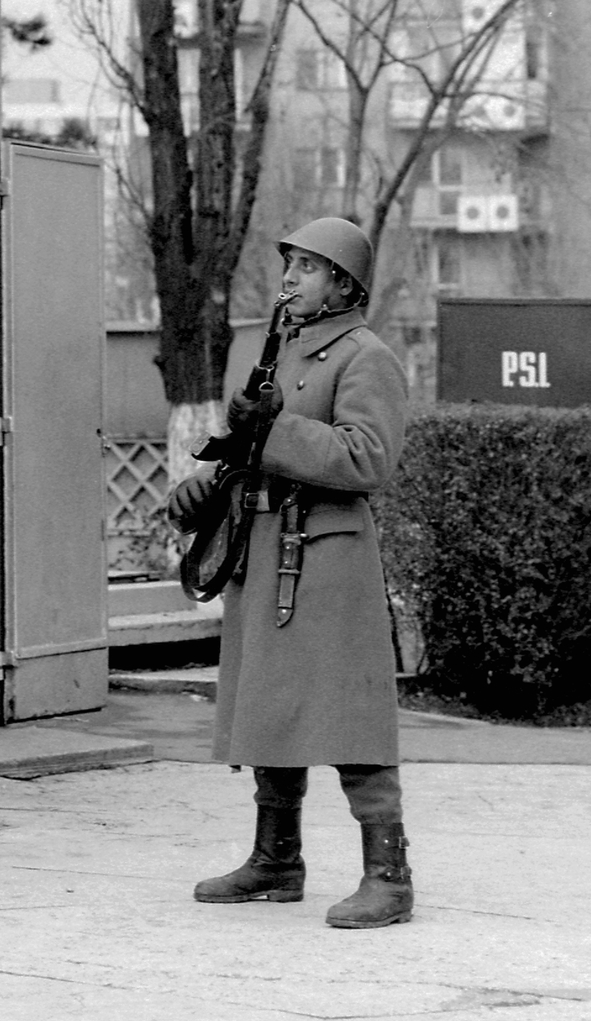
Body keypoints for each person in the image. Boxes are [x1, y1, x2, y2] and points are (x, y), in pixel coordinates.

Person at [167, 217, 413, 928]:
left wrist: (274, 431)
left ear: (343, 282)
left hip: (329, 556)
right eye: (291, 265)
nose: (290, 278)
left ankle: (389, 874)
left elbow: (369, 459)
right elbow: (255, 446)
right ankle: (277, 860)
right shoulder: (283, 351)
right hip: (267, 544)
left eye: (307, 267)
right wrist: (211, 484)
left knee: (350, 710)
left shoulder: (367, 357)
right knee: (272, 703)